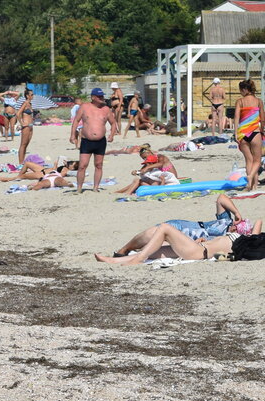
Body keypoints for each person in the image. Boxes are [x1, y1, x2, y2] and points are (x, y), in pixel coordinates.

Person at [111, 195, 260, 256]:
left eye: (238, 228)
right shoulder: (226, 220)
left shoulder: (227, 241)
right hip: (182, 227)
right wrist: (237, 213)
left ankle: (130, 253)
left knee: (150, 249)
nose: (234, 227)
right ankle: (124, 249)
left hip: (184, 242)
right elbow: (221, 198)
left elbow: (258, 226)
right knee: (152, 234)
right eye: (237, 225)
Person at [95, 223, 239, 265]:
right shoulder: (242, 239)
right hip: (197, 248)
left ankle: (137, 260)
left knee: (164, 228)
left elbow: (259, 223)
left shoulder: (247, 243)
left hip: (199, 253)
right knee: (151, 252)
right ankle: (112, 260)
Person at [74, 88, 117, 192]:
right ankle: (79, 188)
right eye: (99, 96)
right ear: (93, 97)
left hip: (100, 141)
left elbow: (113, 123)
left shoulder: (106, 109)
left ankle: (95, 187)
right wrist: (73, 136)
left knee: (98, 165)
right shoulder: (84, 107)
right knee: (82, 165)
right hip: (86, 141)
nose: (102, 98)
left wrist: (111, 135)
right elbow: (76, 120)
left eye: (102, 96)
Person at [234, 79, 262, 191]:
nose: (240, 92)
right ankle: (252, 180)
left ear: (245, 89)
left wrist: (235, 133)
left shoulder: (240, 101)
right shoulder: (258, 101)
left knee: (249, 160)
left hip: (243, 133)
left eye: (241, 90)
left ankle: (250, 185)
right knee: (257, 160)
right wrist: (263, 131)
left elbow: (236, 117)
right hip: (255, 132)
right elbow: (263, 119)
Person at [16, 89, 35, 164]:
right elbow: (18, 114)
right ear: (27, 96)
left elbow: (29, 115)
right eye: (32, 94)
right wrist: (21, 123)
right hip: (26, 126)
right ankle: (20, 163)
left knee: (26, 144)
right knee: (23, 144)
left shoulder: (30, 104)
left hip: (30, 126)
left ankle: (23, 161)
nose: (33, 96)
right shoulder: (25, 103)